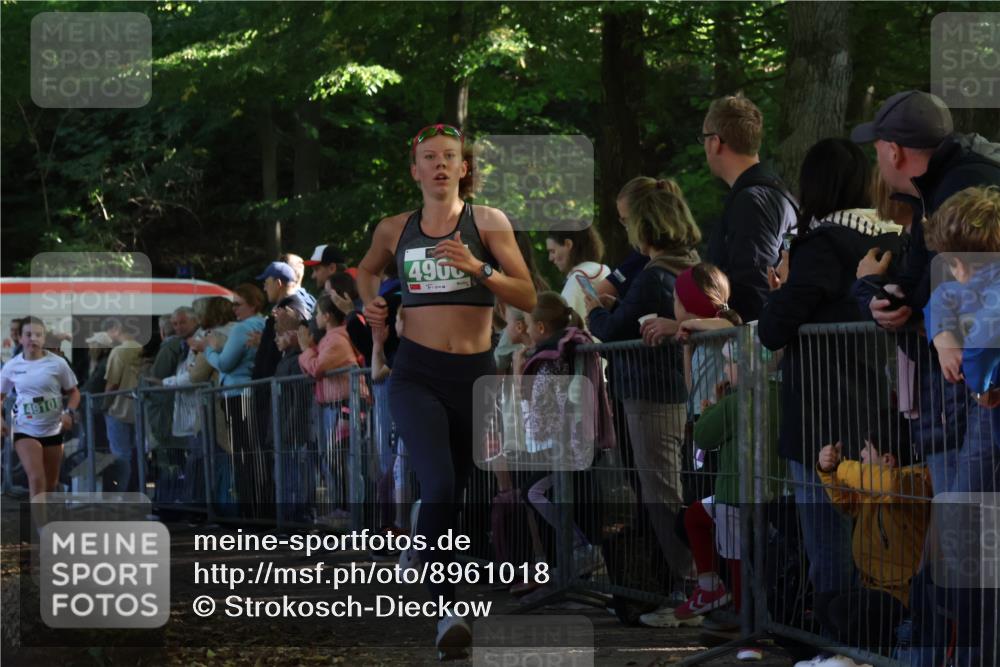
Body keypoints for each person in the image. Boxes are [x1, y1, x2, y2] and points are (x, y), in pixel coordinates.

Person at [356, 122, 535, 656]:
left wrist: (478, 267)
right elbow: (367, 273)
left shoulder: (488, 222)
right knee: (436, 484)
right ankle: (446, 608)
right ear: (415, 171)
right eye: (428, 157)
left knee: (462, 491)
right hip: (415, 375)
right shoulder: (395, 228)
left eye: (449, 157)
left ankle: (439, 566)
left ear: (463, 168)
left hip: (475, 374)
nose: (438, 165)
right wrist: (373, 305)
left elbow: (527, 294)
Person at [758, 137, 900, 612]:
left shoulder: (823, 243)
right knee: (883, 532)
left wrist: (781, 288)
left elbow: (775, 329)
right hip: (881, 404)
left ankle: (837, 637)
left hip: (823, 412)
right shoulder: (891, 236)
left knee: (829, 540)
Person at [850, 90, 1000, 496]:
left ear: (893, 151)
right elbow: (929, 291)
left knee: (964, 524)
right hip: (964, 389)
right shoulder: (931, 189)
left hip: (971, 396)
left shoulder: (961, 186)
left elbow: (947, 293)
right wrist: (875, 294)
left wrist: (978, 374)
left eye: (877, 149)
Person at [584, 177, 701, 619]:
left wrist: (597, 308)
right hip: (669, 391)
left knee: (661, 492)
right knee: (665, 489)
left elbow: (613, 331)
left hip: (652, 395)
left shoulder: (654, 276)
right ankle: (688, 586)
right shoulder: (685, 266)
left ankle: (691, 589)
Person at [515, 292, 614, 582]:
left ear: (542, 328)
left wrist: (518, 376)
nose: (527, 330)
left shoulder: (547, 361)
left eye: (529, 325)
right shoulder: (560, 354)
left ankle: (581, 548)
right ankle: (574, 558)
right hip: (570, 443)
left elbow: (539, 414)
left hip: (564, 447)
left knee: (532, 492)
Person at [806, 438, 931, 663]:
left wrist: (842, 467)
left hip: (902, 597)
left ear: (887, 459)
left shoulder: (914, 483)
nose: (861, 454)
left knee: (842, 610)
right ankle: (842, 658)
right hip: (872, 588)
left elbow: (890, 486)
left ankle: (862, 659)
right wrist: (828, 473)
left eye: (867, 448)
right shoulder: (871, 493)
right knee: (823, 603)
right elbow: (844, 501)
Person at [701, 94, 797, 322]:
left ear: (715, 142)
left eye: (703, 139)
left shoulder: (751, 202)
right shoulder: (777, 193)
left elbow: (753, 286)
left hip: (750, 347)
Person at [0, 317, 80, 500]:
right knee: (36, 478)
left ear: (44, 339)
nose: (33, 339)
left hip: (52, 429)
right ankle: (41, 528)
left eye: (38, 335)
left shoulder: (58, 363)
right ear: (20, 338)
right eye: (28, 335)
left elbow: (74, 392)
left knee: (50, 483)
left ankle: (46, 518)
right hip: (24, 428)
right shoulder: (12, 366)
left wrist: (69, 413)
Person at [252, 261, 311, 381]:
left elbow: (279, 352)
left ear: (278, 283)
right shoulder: (290, 308)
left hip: (280, 386)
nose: (264, 288)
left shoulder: (287, 312)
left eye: (266, 283)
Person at [545, 227, 610, 324]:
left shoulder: (575, 280)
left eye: (553, 251)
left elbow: (563, 325)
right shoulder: (607, 272)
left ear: (568, 244)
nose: (550, 258)